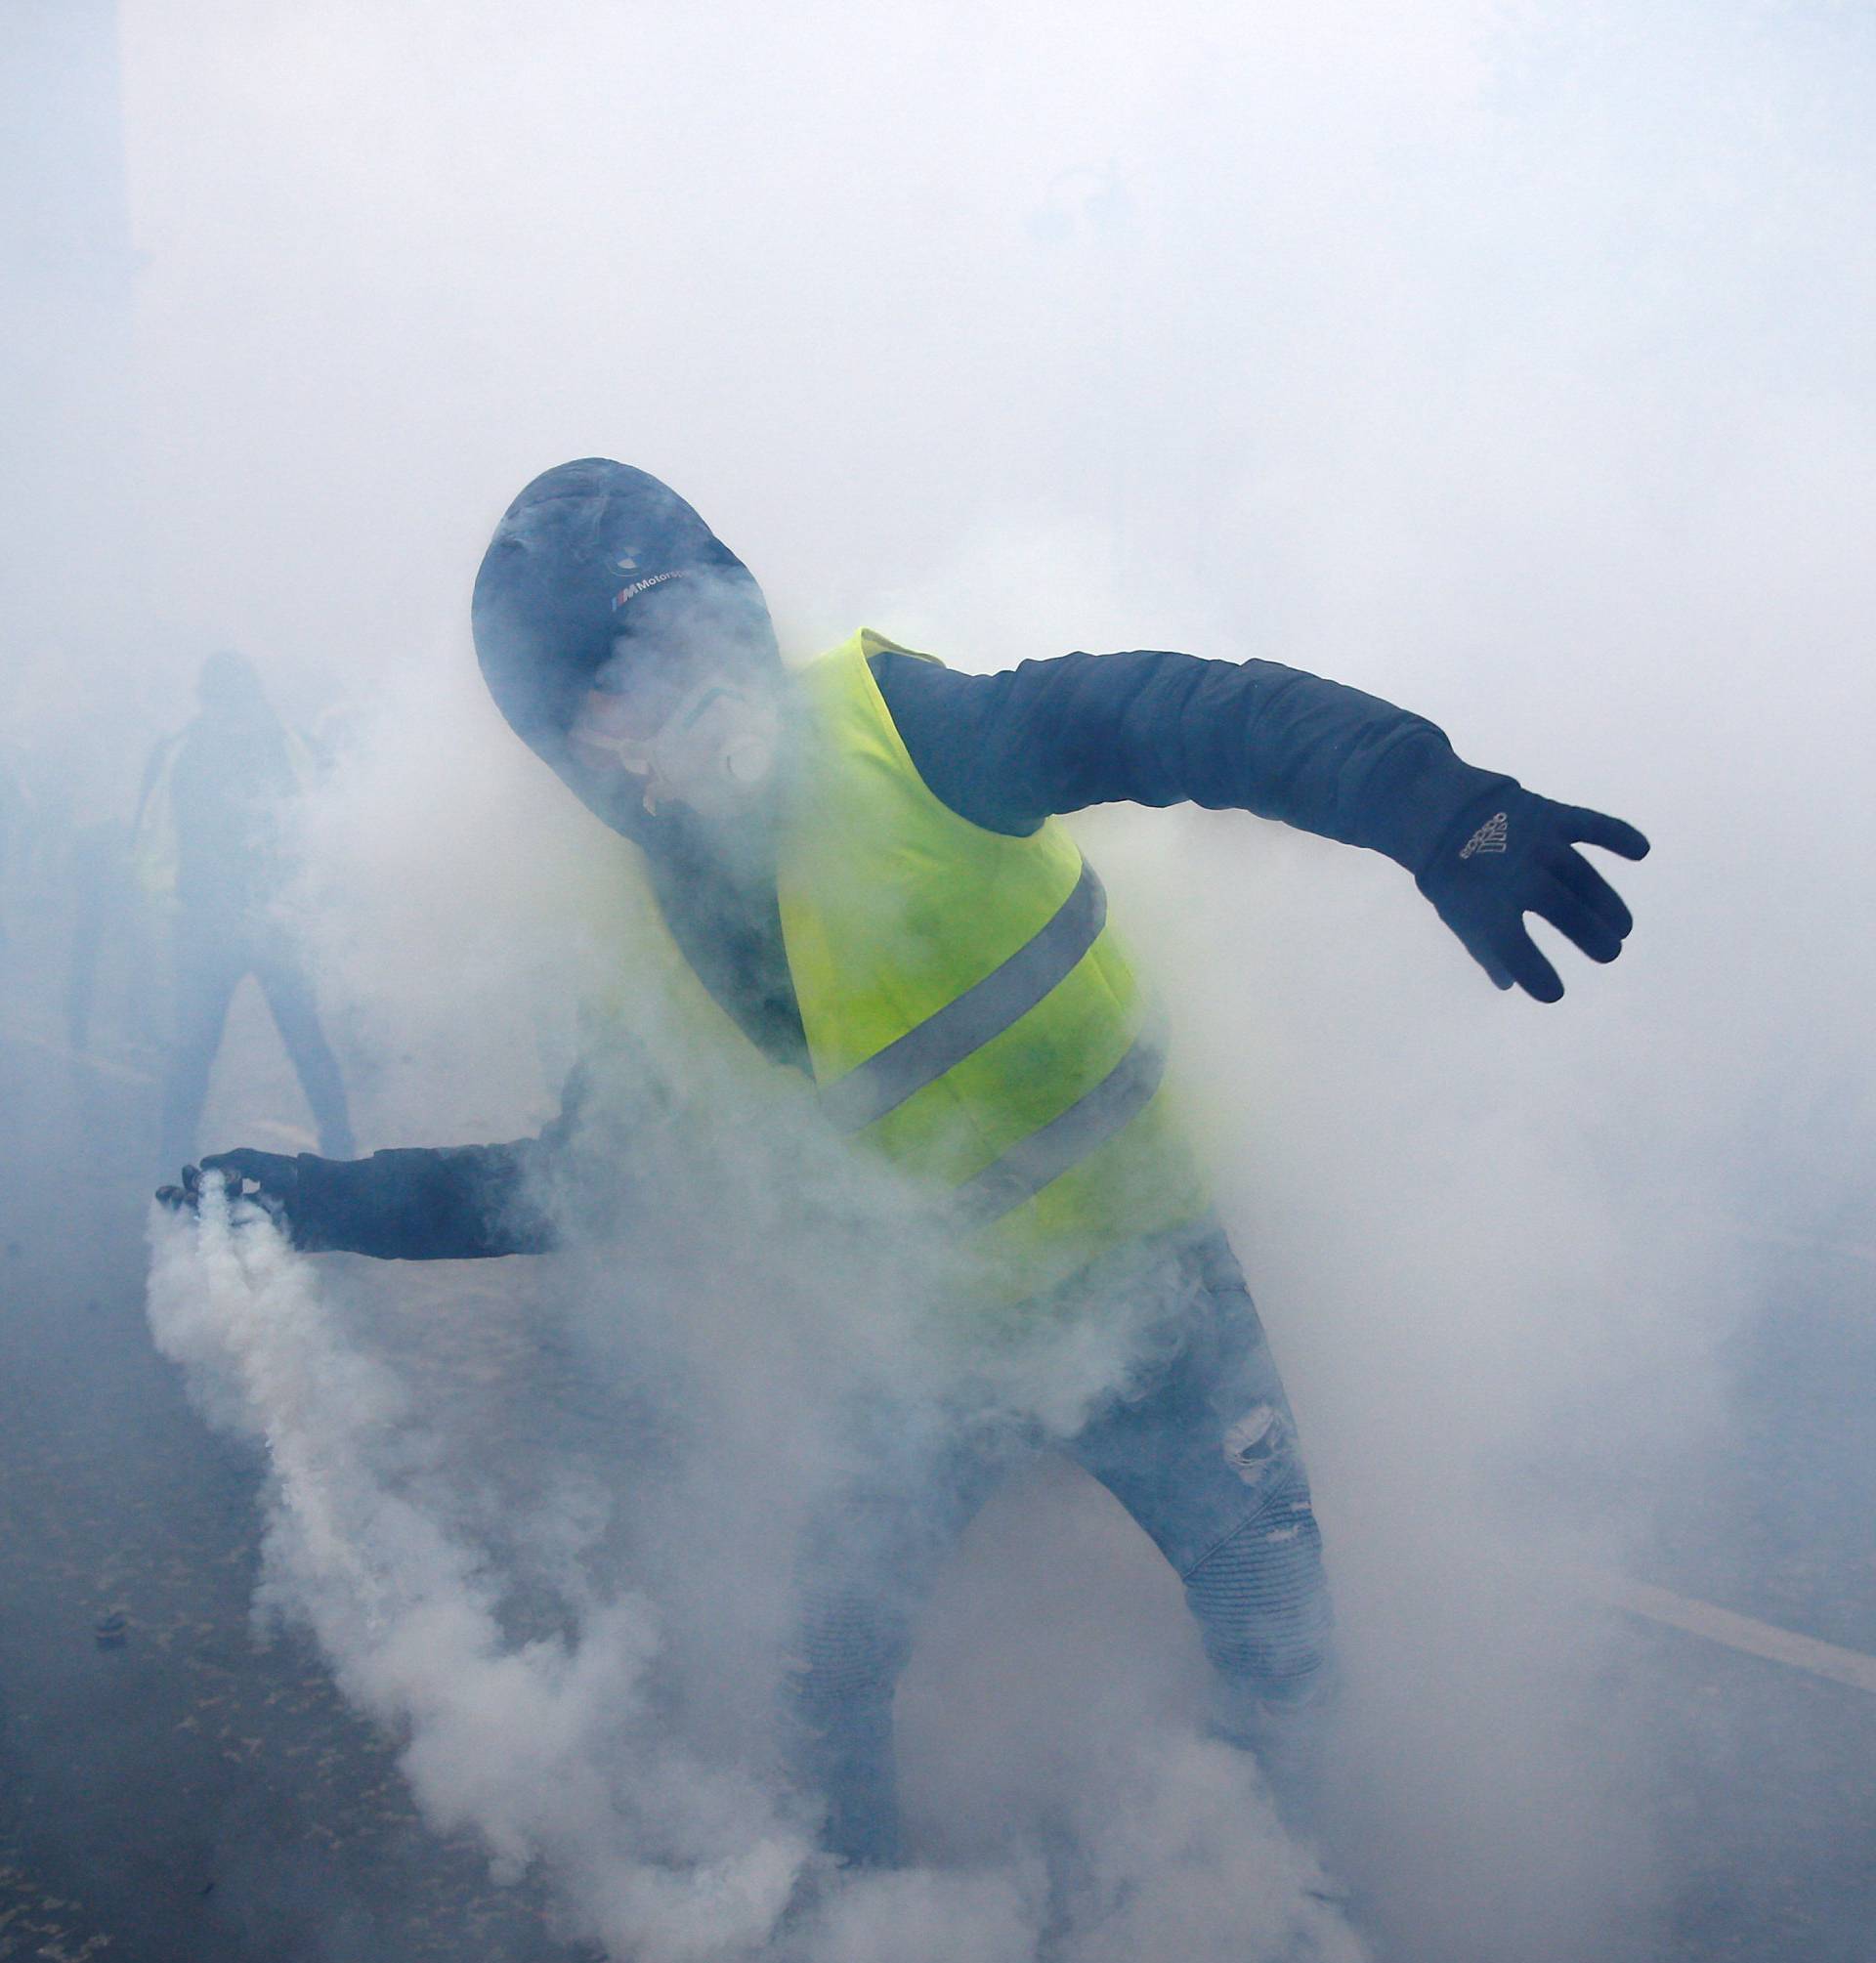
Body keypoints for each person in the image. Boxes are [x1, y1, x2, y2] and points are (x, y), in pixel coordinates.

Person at [161, 460, 1647, 1866]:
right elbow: (576, 1188)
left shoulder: (910, 729)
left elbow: (1192, 717)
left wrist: (1436, 805)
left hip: (1162, 1298)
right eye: (604, 693)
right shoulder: (648, 952)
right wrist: (309, 1201)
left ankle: (1290, 1955)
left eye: (684, 635)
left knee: (1281, 1637)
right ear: (575, 753)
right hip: (930, 1354)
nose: (667, 701)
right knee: (829, 1678)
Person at [137, 652, 356, 1170]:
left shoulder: (187, 750)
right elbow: (335, 819)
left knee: (196, 1050)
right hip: (251, 923)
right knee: (300, 1043)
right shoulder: (285, 743)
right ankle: (342, 1149)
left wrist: (172, 905)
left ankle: (173, 1160)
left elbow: (147, 841)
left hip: (222, 925)